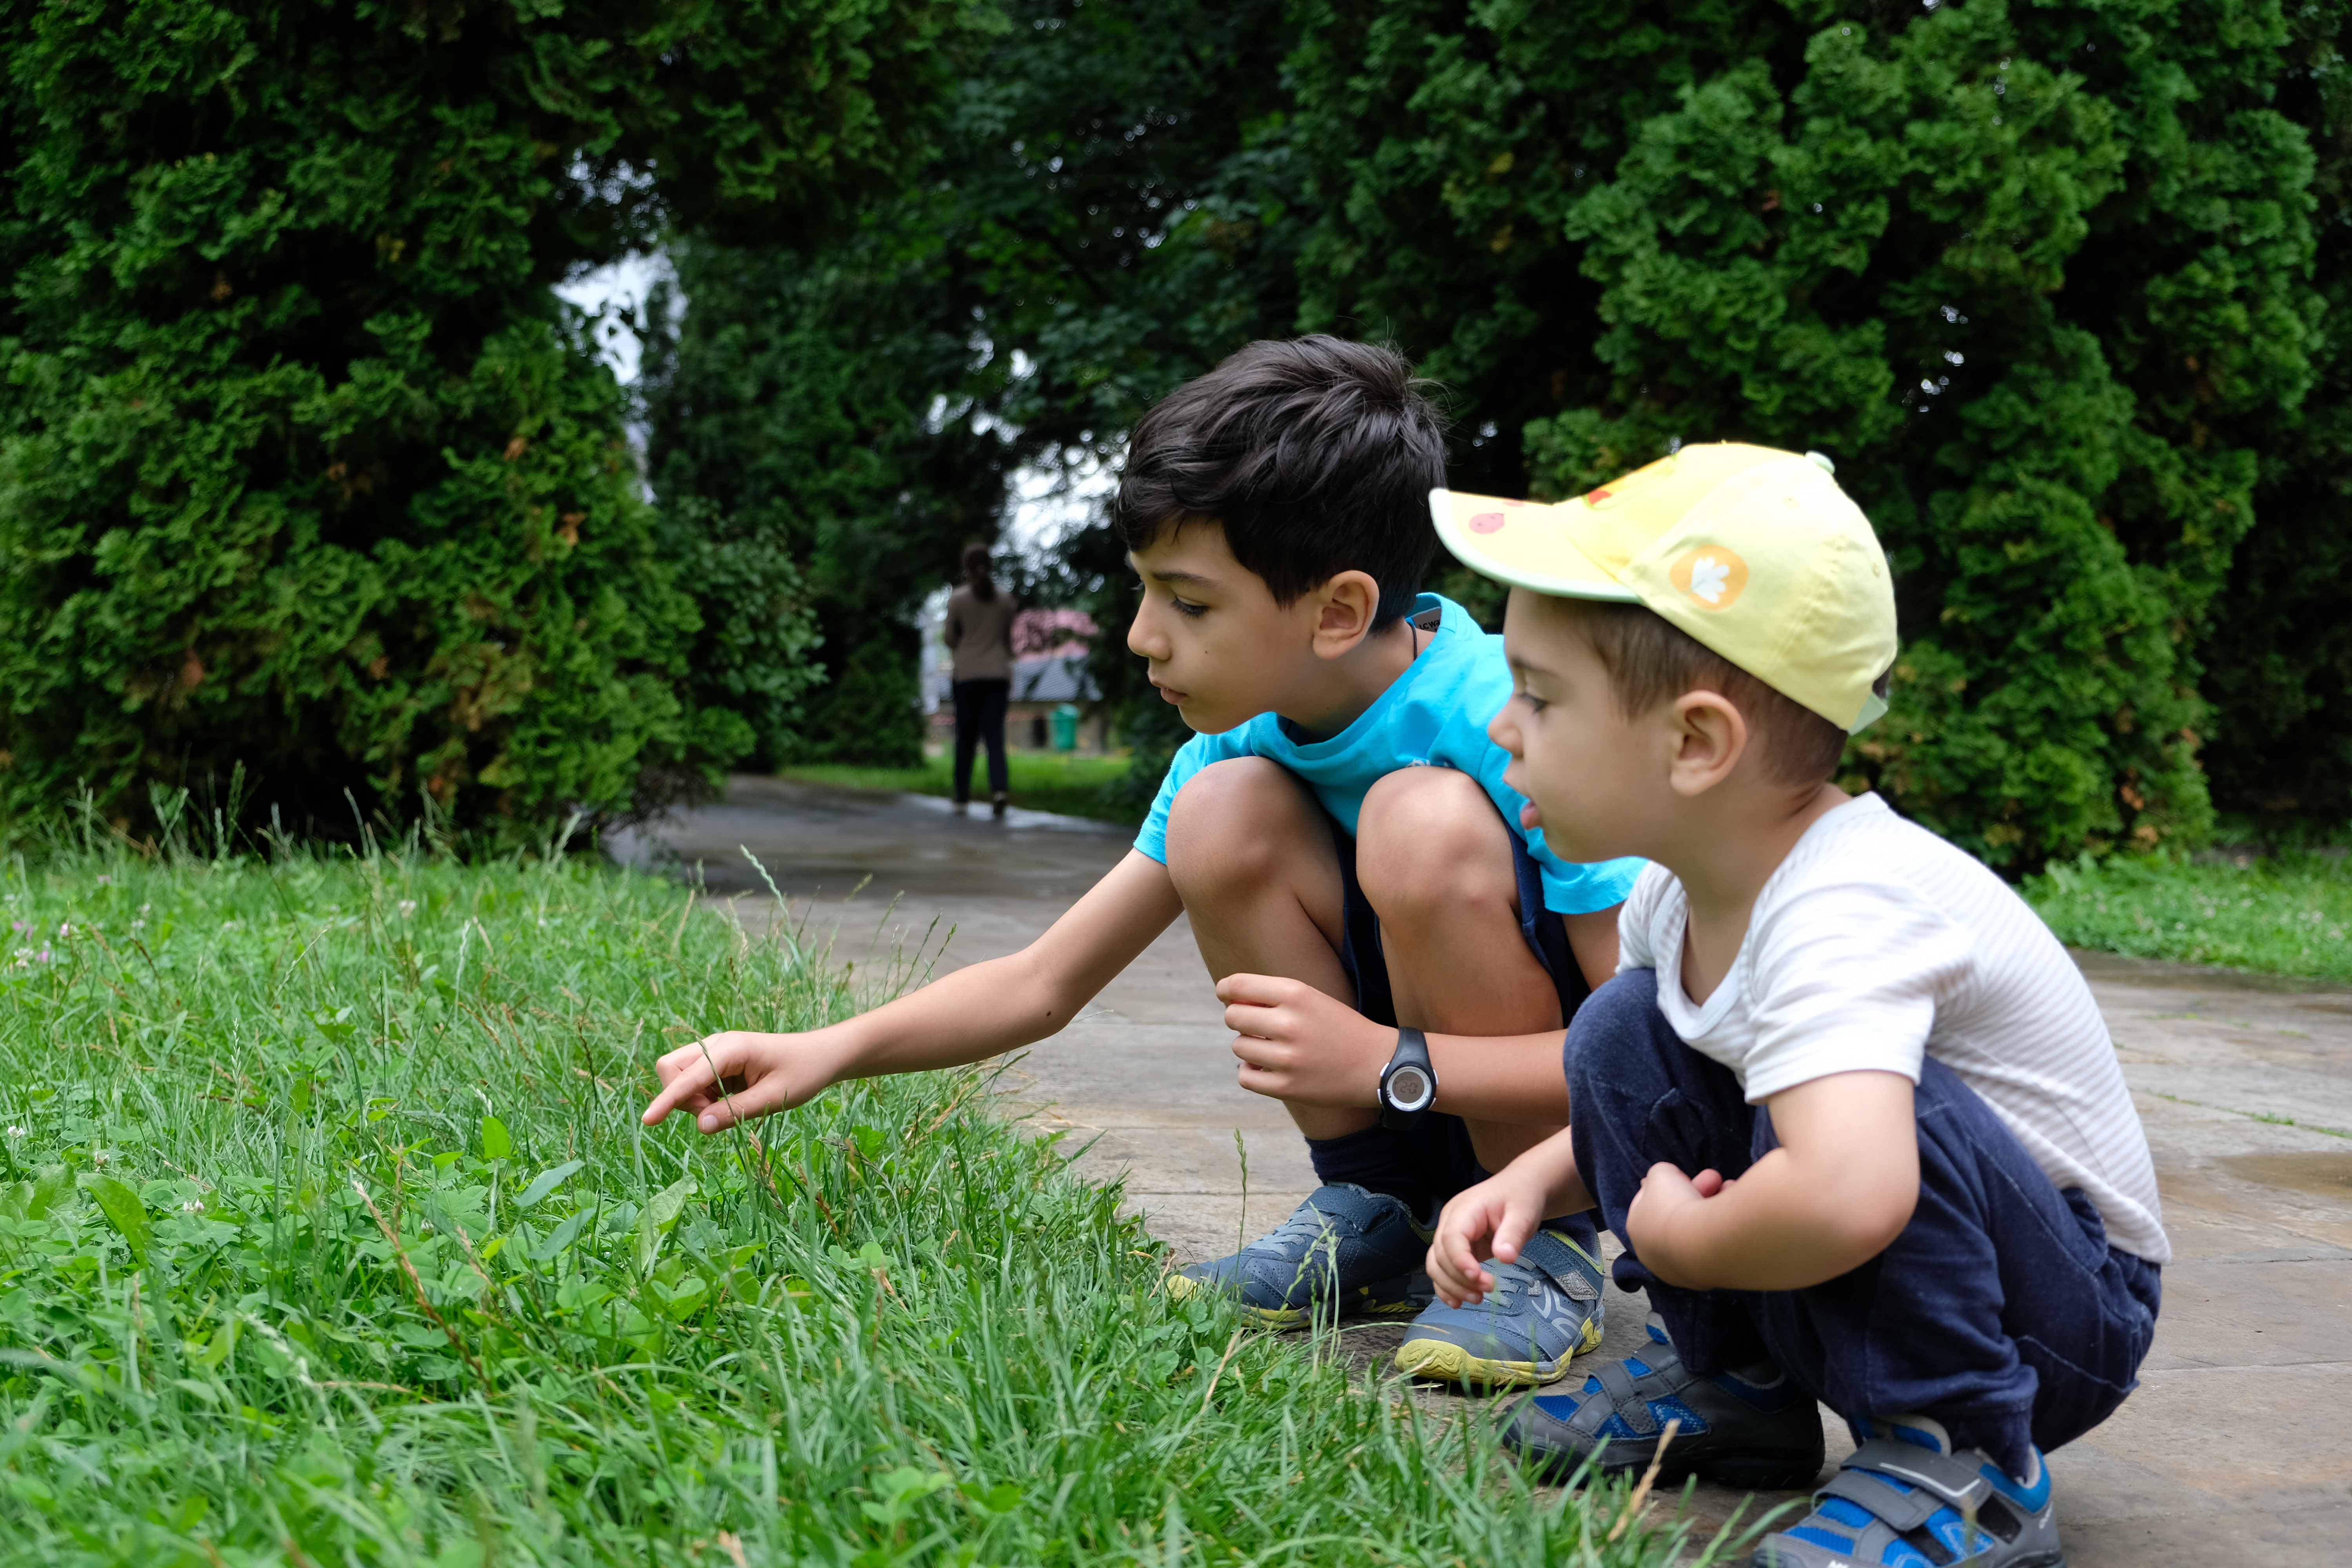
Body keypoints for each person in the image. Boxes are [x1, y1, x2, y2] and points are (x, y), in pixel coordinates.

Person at [640, 336, 1644, 1388]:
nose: (1139, 637)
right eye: (1144, 591)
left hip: (1551, 1144)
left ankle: (1544, 1245)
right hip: (1397, 1095)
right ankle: (1380, 1214)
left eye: (1190, 603)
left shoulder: (1509, 724)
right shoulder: (1234, 742)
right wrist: (827, 1049)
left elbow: (1649, 1049)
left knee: (1418, 820)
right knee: (1220, 813)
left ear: (1339, 611)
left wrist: (1386, 1064)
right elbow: (1042, 983)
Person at [1421, 445, 2165, 1567]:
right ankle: (1742, 1392)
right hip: (1879, 1233)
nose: (1501, 728)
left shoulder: (1843, 908)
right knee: (1623, 1031)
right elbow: (1673, 1096)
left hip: (2050, 1318)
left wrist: (1686, 1239)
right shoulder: (1675, 892)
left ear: (1697, 743)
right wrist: (1533, 1176)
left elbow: (1853, 1185)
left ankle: (1968, 1460)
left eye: (1538, 694)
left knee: (1869, 1105)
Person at [944, 542, 1017, 817]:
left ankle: (962, 794)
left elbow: (950, 639)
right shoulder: (1005, 600)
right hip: (998, 673)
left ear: (966, 568)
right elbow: (1007, 641)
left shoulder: (958, 600)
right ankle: (999, 789)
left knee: (966, 737)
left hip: (968, 675)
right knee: (995, 736)